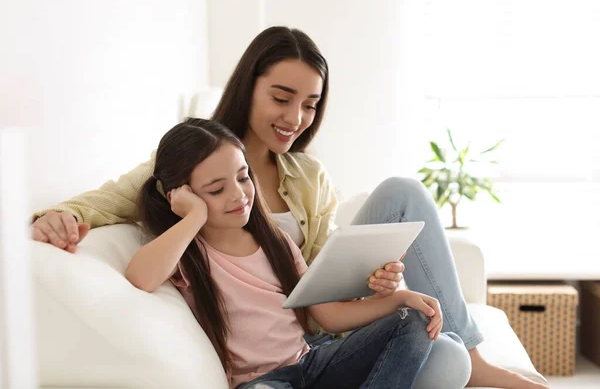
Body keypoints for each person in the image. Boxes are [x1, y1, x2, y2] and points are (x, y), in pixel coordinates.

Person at [31, 26, 546, 389]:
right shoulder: (190, 166)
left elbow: (319, 285)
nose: (296, 117)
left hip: (320, 329)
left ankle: (474, 356)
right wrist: (61, 216)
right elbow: (105, 203)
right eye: (282, 97)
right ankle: (461, 358)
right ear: (248, 86)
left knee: (404, 194)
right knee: (444, 361)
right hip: (277, 360)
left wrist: (383, 285)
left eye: (311, 104)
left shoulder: (307, 176)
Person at [128, 118, 441, 388]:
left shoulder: (276, 242)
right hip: (262, 383)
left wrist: (400, 299)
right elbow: (140, 277)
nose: (238, 195)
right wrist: (194, 217)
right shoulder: (188, 253)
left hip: (311, 363)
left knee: (412, 322)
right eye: (216, 189)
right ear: (181, 196)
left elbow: (328, 317)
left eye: (242, 177)